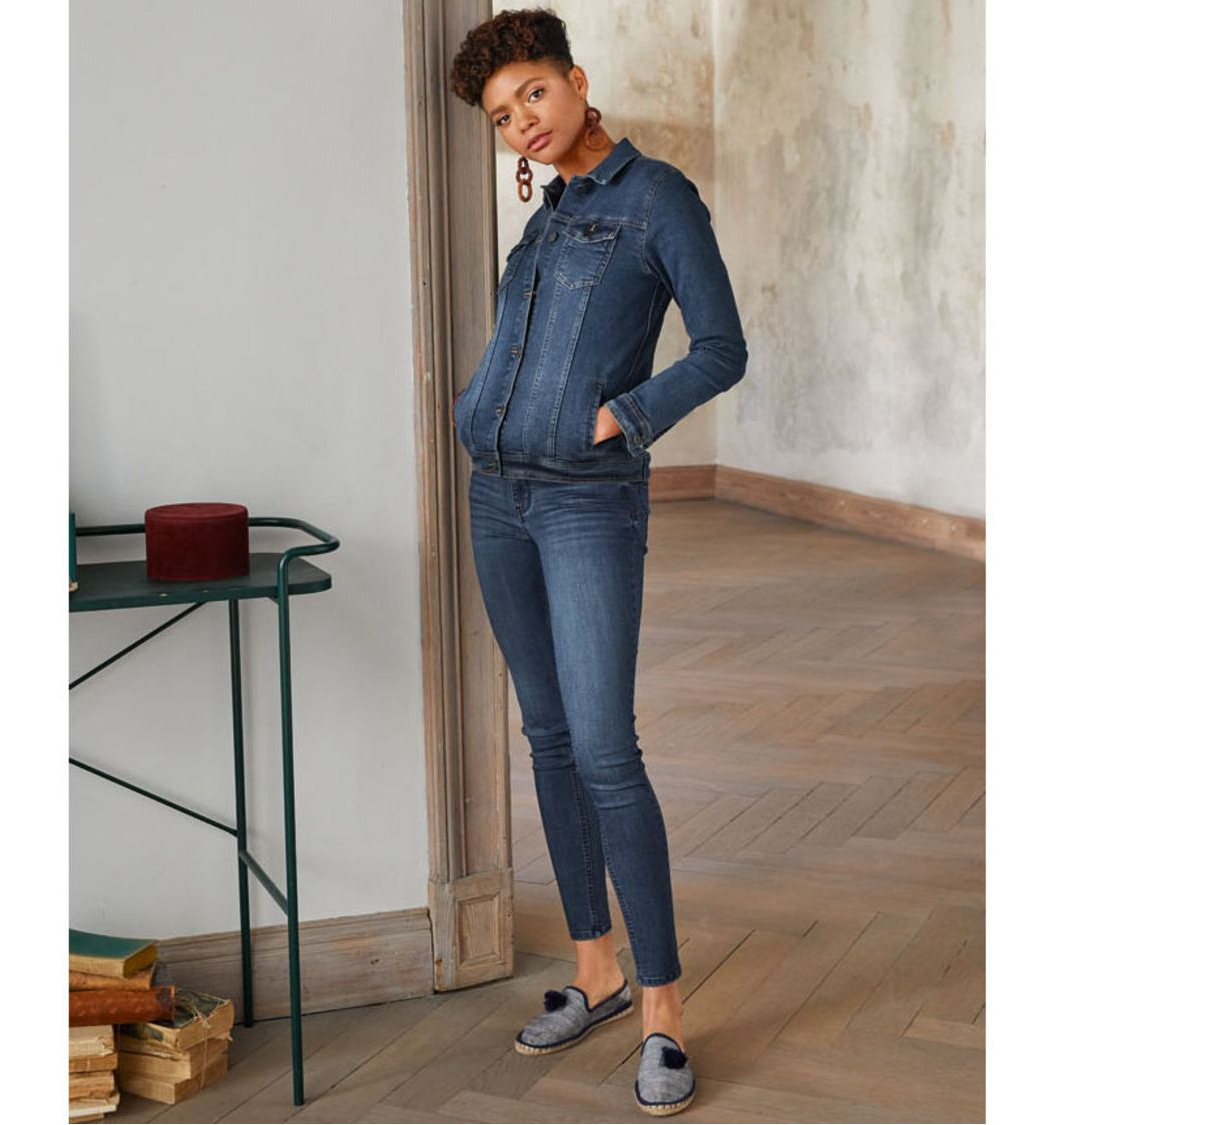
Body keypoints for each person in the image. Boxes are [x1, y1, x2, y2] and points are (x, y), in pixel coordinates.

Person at [448, 8, 748, 1116]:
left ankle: (664, 1010)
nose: (520, 123)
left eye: (532, 93)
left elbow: (721, 347)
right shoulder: (545, 221)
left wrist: (625, 414)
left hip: (586, 504)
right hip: (497, 497)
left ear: (576, 81)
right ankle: (596, 971)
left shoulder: (657, 198)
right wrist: (477, 403)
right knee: (550, 738)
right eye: (500, 116)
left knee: (607, 749)